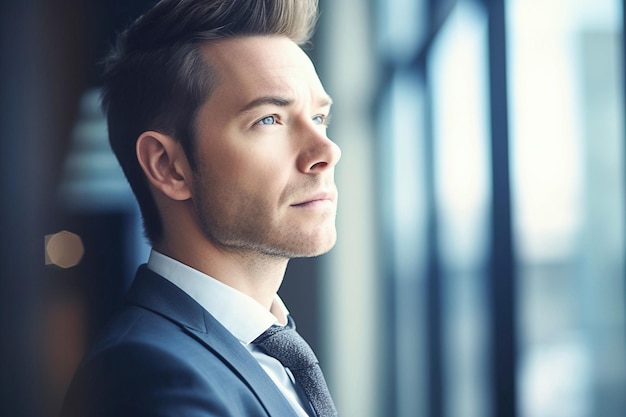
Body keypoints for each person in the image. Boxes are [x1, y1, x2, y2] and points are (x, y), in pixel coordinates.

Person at [59, 0, 341, 416]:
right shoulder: (150, 376)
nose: (326, 151)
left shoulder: (263, 349)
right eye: (269, 119)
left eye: (318, 118)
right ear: (168, 166)